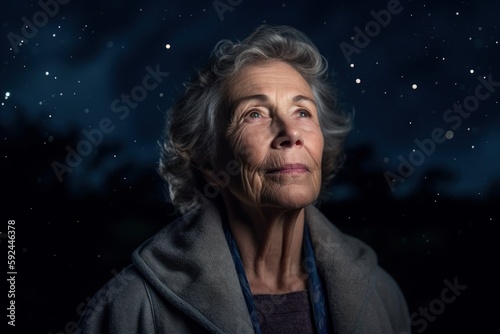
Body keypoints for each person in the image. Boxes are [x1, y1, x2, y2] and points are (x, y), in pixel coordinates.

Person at [76, 24, 410, 333]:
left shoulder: (381, 292)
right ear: (208, 161)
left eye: (303, 112)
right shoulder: (132, 307)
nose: (291, 133)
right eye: (254, 114)